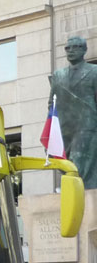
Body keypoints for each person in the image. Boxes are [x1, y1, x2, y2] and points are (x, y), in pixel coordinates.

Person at [48, 36, 97, 189]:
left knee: (79, 163)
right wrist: (51, 127)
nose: (70, 51)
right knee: (65, 163)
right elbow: (52, 102)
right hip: (64, 127)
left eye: (75, 47)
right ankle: (72, 190)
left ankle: (78, 193)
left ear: (84, 50)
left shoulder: (94, 71)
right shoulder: (58, 75)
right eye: (67, 48)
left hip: (86, 125)